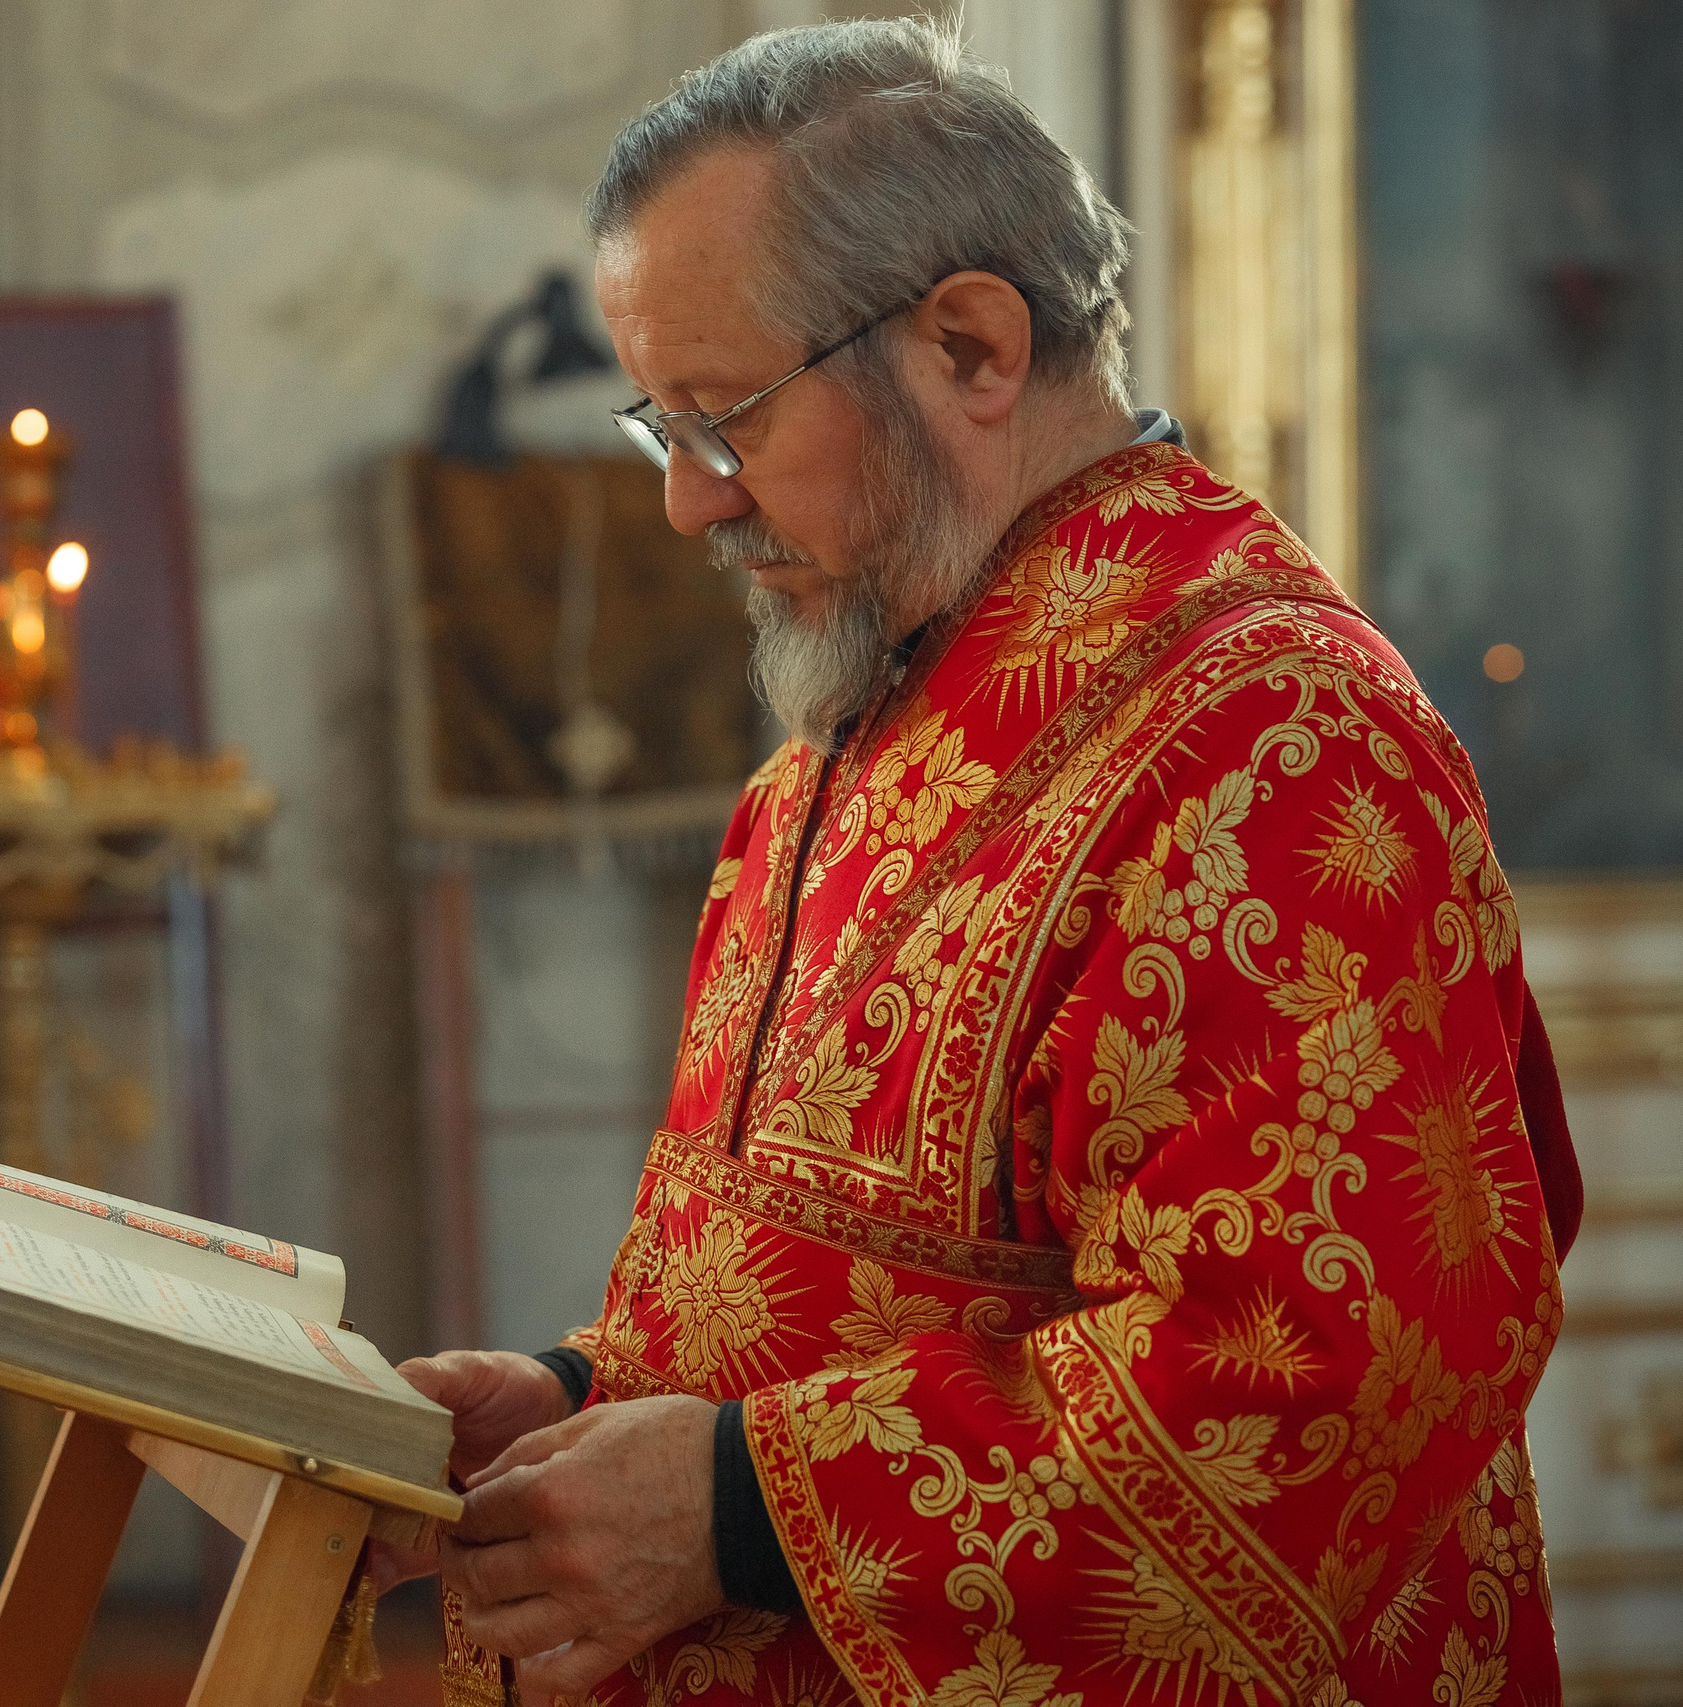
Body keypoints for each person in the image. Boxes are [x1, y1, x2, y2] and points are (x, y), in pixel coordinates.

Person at [375, 17, 1582, 1705]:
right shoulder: (858, 720)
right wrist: (580, 1399)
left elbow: (1316, 1388)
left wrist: (730, 1509)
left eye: (724, 421)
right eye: (668, 430)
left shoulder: (1285, 749)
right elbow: (845, 1275)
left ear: (970, 345)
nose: (690, 508)